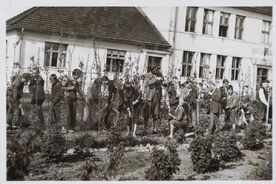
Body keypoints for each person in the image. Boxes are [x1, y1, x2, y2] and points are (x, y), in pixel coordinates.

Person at [143, 64, 164, 134]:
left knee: (156, 113)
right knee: (147, 113)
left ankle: (154, 129)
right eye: (155, 69)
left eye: (157, 69)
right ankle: (145, 129)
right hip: (149, 97)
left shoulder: (159, 74)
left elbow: (163, 80)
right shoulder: (147, 75)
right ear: (151, 69)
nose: (156, 71)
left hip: (157, 96)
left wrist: (161, 79)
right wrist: (155, 79)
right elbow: (147, 83)